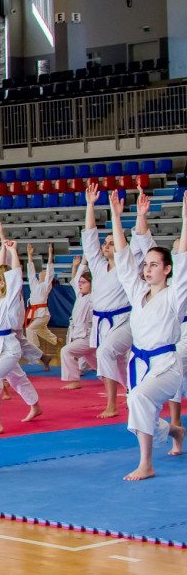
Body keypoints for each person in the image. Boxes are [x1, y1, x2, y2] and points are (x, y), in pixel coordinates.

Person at [109, 189, 187, 479]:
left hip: (167, 366)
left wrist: (185, 218)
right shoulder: (138, 291)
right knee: (139, 405)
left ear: (168, 270)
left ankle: (147, 464)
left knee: (140, 399)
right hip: (140, 364)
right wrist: (116, 218)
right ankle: (175, 431)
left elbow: (184, 258)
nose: (147, 269)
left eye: (154, 265)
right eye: (146, 265)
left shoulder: (175, 295)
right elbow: (122, 257)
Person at [0, 239, 42, 435]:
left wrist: (13, 252)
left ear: (3, 284)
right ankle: (35, 405)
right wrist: (2, 250)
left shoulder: (9, 299)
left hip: (8, 347)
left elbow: (14, 277)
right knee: (17, 378)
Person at [82, 183, 134, 418]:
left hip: (124, 320)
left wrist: (116, 218)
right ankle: (133, 393)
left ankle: (112, 404)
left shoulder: (126, 266)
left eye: (112, 243)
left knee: (105, 353)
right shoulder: (98, 266)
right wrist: (90, 205)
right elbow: (89, 239)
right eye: (106, 243)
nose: (106, 246)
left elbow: (121, 248)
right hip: (102, 321)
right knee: (116, 361)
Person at [60, 256, 95, 389]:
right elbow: (76, 279)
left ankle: (74, 380)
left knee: (66, 351)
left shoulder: (95, 297)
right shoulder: (80, 294)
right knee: (94, 360)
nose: (80, 284)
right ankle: (110, 376)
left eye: (84, 282)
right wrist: (82, 262)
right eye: (80, 282)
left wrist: (85, 261)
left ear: (92, 284)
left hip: (89, 335)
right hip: (78, 332)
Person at [25, 243, 57, 369]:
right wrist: (30, 255)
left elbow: (50, 271)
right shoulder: (35, 285)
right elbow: (30, 273)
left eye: (44, 272)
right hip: (36, 314)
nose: (41, 272)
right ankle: (55, 341)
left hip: (42, 313)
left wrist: (50, 254)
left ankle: (36, 354)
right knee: (42, 330)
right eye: (41, 271)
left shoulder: (46, 285)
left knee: (30, 330)